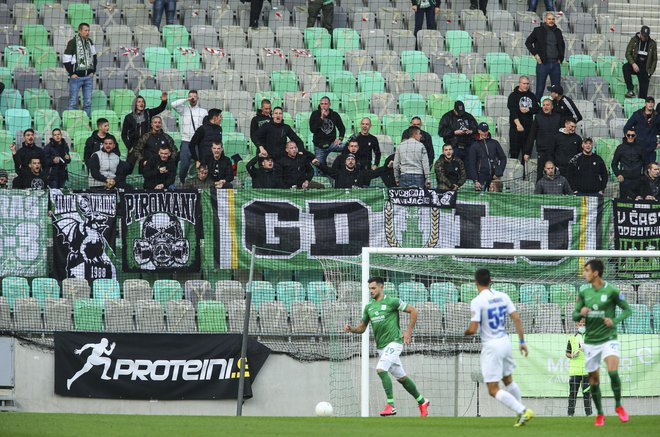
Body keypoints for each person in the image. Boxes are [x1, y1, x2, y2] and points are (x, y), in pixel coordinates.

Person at [345, 276, 429, 417]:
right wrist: (352, 329)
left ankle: (391, 405)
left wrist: (408, 332)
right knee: (402, 378)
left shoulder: (392, 301)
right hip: (381, 347)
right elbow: (362, 328)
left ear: (381, 287)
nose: (371, 291)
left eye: (373, 288)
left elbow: (413, 311)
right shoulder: (369, 307)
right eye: (369, 289)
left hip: (395, 342)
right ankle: (422, 401)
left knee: (380, 369)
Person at [464, 268, 534, 427]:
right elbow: (516, 318)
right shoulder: (503, 296)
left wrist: (466, 332)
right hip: (505, 341)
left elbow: (473, 329)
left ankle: (523, 410)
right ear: (491, 281)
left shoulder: (477, 301)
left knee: (492, 388)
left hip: (491, 346)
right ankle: (520, 414)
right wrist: (522, 341)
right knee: (508, 380)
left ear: (476, 282)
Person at [573, 259, 632, 427]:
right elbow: (575, 315)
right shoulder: (584, 292)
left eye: (586, 270)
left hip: (609, 339)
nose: (584, 274)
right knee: (593, 380)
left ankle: (618, 405)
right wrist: (581, 312)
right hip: (591, 341)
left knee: (613, 372)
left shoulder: (612, 290)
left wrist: (614, 320)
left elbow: (628, 310)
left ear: (595, 273)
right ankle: (599, 414)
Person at [525, 12, 565, 101]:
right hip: (543, 64)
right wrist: (536, 55)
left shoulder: (558, 31)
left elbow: (562, 45)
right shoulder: (538, 30)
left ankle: (555, 111)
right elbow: (528, 42)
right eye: (549, 19)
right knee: (539, 89)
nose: (551, 21)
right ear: (545, 20)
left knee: (556, 90)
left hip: (555, 64)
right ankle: (537, 111)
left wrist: (560, 58)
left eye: (553, 19)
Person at [171, 90, 208, 184]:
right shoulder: (184, 109)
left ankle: (197, 184)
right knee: (184, 165)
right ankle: (182, 182)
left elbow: (206, 126)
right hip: (186, 141)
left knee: (199, 165)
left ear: (198, 98)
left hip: (198, 142)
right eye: (190, 96)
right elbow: (173, 104)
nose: (192, 98)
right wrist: (186, 99)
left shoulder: (203, 111)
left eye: (194, 96)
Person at [63, 23, 97, 117]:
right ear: (80, 31)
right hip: (76, 78)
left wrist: (93, 71)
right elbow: (66, 59)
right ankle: (71, 120)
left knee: (88, 102)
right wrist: (72, 73)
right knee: (73, 101)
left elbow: (94, 57)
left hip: (88, 77)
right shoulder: (72, 42)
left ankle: (86, 121)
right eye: (85, 30)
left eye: (88, 30)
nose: (87, 32)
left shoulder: (90, 41)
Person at [524, 97, 562, 180]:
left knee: (555, 174)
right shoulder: (538, 118)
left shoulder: (558, 117)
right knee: (540, 174)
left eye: (548, 105)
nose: (545, 107)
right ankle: (539, 192)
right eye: (543, 105)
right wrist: (527, 152)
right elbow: (532, 135)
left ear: (552, 106)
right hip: (542, 150)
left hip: (555, 151)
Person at [466, 123, 507, 192]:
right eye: (483, 131)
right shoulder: (474, 146)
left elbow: (503, 158)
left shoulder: (495, 143)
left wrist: (499, 172)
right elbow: (472, 164)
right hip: (481, 177)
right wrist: (475, 180)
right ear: (479, 131)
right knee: (480, 198)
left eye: (486, 131)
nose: (485, 133)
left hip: (494, 176)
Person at [507, 76, 539, 162]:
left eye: (527, 84)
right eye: (524, 83)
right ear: (519, 84)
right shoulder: (513, 96)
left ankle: (525, 175)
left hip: (528, 130)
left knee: (526, 155)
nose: (526, 85)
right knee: (514, 153)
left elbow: (537, 109)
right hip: (516, 130)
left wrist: (529, 109)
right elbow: (512, 111)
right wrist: (518, 124)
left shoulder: (532, 96)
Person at [315, 153, 390, 188]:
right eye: (348, 159)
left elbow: (375, 173)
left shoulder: (361, 173)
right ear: (345, 162)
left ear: (355, 162)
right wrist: (318, 164)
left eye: (352, 159)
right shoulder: (338, 173)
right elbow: (327, 170)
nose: (350, 161)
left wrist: (387, 166)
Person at [566, 318, 592, 417]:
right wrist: (572, 355)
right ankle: (570, 414)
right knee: (573, 394)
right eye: (580, 324)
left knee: (587, 394)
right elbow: (567, 353)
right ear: (577, 325)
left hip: (587, 371)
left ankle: (588, 414)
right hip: (574, 371)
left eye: (584, 324)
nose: (582, 326)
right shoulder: (572, 338)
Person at [623, 96, 660, 165]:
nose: (650, 104)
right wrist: (630, 140)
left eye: (652, 102)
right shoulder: (637, 114)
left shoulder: (657, 116)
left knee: (649, 171)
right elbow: (626, 128)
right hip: (638, 147)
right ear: (645, 104)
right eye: (648, 102)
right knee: (637, 169)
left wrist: (659, 142)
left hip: (651, 148)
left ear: (654, 104)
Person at [309, 96, 345, 166]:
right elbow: (312, 130)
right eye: (322, 104)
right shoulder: (315, 114)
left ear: (329, 105)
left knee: (350, 148)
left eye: (325, 104)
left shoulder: (334, 115)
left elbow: (342, 128)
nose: (323, 106)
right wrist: (322, 118)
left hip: (332, 144)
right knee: (319, 167)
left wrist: (340, 138)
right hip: (319, 147)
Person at [624, 26, 657, 99]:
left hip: (645, 69)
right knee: (625, 67)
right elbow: (627, 53)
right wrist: (633, 63)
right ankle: (630, 89)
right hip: (636, 65)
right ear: (640, 33)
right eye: (643, 36)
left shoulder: (652, 44)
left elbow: (654, 59)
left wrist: (650, 72)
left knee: (643, 95)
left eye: (646, 36)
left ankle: (641, 105)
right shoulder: (634, 40)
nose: (645, 38)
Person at [612, 128, 645, 199]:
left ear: (635, 136)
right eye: (628, 135)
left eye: (632, 135)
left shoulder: (640, 148)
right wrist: (618, 174)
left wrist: (643, 177)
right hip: (625, 180)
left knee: (638, 202)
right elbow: (614, 164)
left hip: (638, 180)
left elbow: (646, 163)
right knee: (624, 203)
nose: (630, 137)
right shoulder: (620, 148)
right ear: (625, 135)